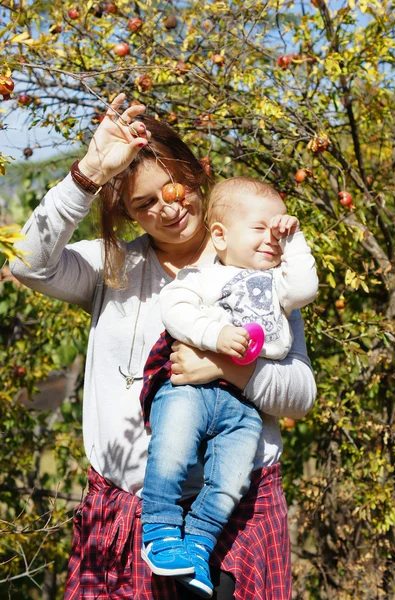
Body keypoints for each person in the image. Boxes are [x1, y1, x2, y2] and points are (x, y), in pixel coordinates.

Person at [11, 94, 317, 600]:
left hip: (237, 514)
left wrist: (229, 370)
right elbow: (26, 263)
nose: (166, 209)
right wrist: (88, 173)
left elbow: (301, 394)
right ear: (129, 215)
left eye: (172, 188)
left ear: (196, 174)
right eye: (143, 203)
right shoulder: (112, 267)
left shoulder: (261, 272)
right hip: (125, 514)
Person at [139, 177, 318, 598]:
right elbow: (175, 308)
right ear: (220, 235)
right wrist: (216, 336)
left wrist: (295, 238)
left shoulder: (279, 288)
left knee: (232, 477)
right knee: (172, 451)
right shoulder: (202, 277)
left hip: (243, 408)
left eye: (277, 231)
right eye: (261, 229)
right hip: (189, 394)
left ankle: (198, 544)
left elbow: (306, 288)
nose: (271, 239)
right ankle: (160, 531)